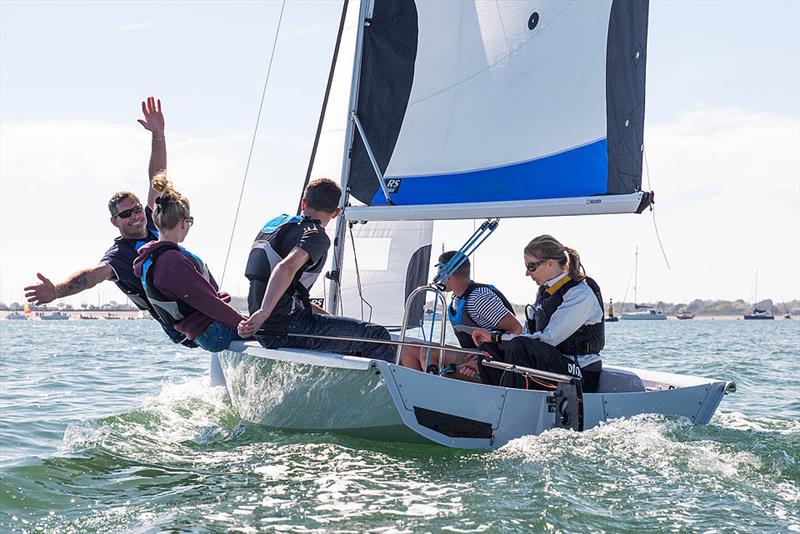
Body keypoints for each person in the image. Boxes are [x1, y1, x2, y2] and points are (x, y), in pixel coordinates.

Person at [23, 97, 193, 346]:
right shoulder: (119, 256)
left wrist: (158, 134)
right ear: (114, 222)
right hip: (184, 326)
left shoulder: (155, 219)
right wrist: (57, 291)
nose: (135, 216)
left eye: (136, 209)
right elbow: (92, 276)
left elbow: (157, 176)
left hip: (200, 302)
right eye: (125, 214)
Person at [237, 178, 394, 361]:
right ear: (336, 213)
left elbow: (287, 291)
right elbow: (286, 267)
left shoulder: (275, 226)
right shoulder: (315, 235)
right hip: (287, 329)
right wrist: (264, 312)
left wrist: (331, 319)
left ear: (304, 203)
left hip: (269, 329)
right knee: (378, 336)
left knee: (345, 331)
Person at [472, 235, 604, 393]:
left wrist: (497, 337)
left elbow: (549, 339)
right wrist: (493, 341)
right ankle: (496, 399)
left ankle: (514, 404)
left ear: (550, 263)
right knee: (488, 350)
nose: (527, 273)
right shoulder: (545, 293)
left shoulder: (580, 294)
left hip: (581, 373)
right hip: (553, 365)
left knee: (519, 346)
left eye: (531, 266)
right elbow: (528, 334)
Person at [132, 175, 246, 352]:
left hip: (201, 333)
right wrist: (242, 324)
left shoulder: (151, 258)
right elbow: (209, 304)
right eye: (190, 222)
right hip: (214, 332)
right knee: (280, 333)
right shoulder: (173, 262)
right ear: (184, 223)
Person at [402, 251, 521, 372]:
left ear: (446, 273)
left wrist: (486, 352)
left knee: (427, 352)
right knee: (408, 349)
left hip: (495, 360)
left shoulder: (479, 298)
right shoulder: (457, 299)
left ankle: (433, 385)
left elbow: (518, 330)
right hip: (474, 354)